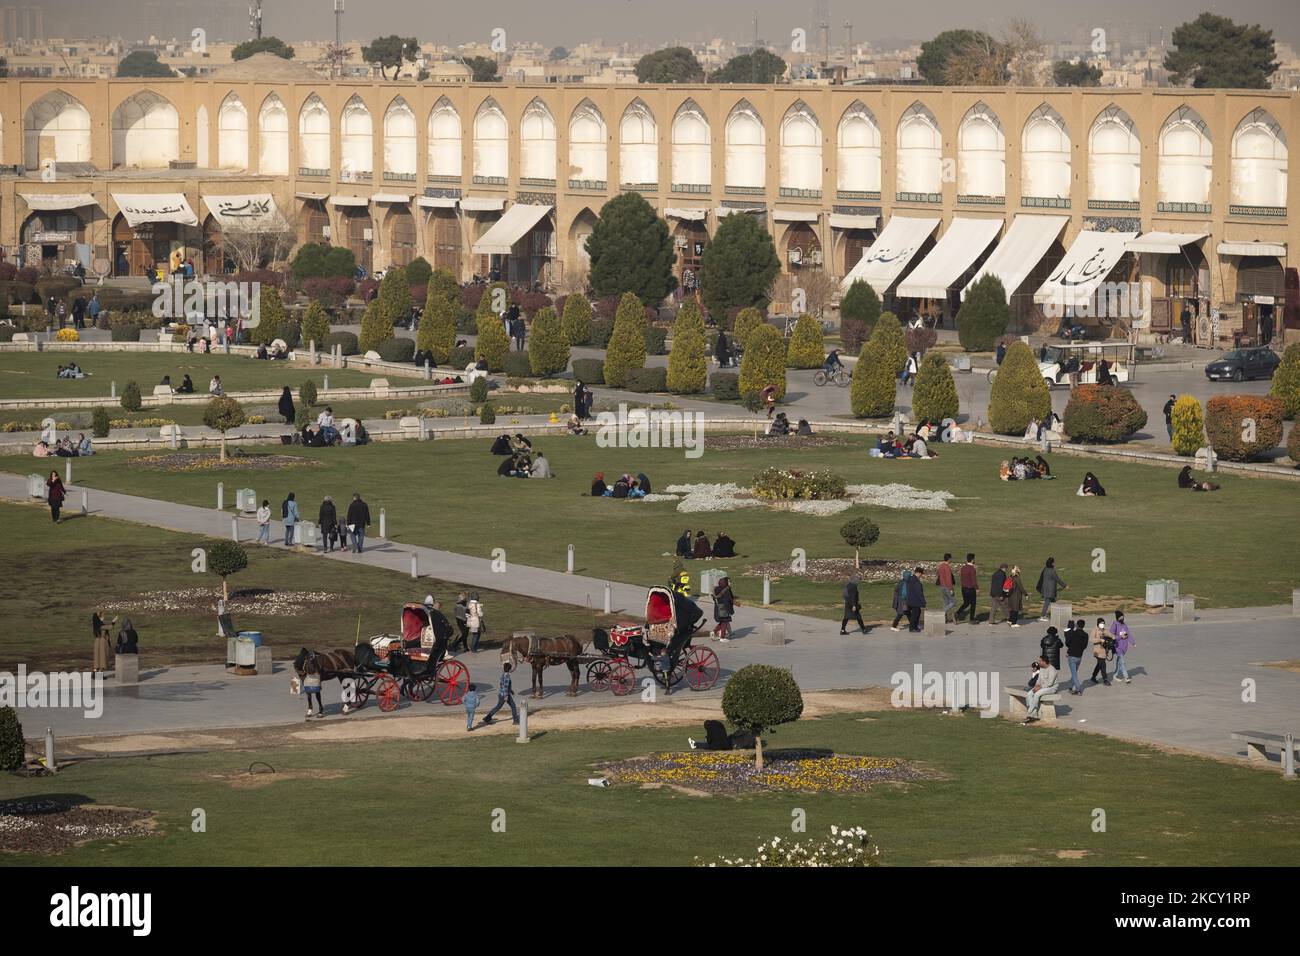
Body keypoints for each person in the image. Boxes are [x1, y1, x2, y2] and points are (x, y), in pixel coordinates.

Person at [1022, 657, 1059, 724]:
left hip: (1051, 688)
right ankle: (1034, 715)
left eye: (1040, 661)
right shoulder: (1041, 668)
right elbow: (1038, 679)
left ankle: (1030, 711)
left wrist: (1040, 688)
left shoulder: (1052, 670)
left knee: (1037, 694)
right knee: (1030, 693)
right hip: (1042, 686)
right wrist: (1036, 686)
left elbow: (1050, 684)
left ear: (1044, 662)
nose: (1039, 662)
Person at [1035, 558, 1066, 622]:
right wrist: (1065, 585)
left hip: (1045, 589)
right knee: (1047, 603)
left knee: (1053, 601)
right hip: (1050, 590)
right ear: (1052, 563)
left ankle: (1055, 614)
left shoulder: (1045, 569)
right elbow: (1057, 579)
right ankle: (1043, 616)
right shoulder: (1052, 571)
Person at [1064, 619, 1088, 695]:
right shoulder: (1086, 635)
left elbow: (1067, 643)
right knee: (1074, 673)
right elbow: (1085, 646)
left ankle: (1078, 689)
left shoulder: (1072, 633)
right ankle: (1073, 688)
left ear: (1077, 625)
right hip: (1079, 656)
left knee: (1074, 674)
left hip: (1072, 656)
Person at [1111, 613, 1134, 684]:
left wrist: (1133, 642)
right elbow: (1111, 635)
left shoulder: (1124, 625)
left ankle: (1115, 676)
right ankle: (1126, 677)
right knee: (1122, 662)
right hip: (1117, 647)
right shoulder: (1115, 625)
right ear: (1117, 618)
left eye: (1123, 617)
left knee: (1119, 662)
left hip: (1124, 646)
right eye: (1120, 617)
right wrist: (1120, 637)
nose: (1122, 618)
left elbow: (1128, 634)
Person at [711, 576, 735, 642]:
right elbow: (728, 600)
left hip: (718, 607)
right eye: (729, 581)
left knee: (722, 621)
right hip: (724, 608)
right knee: (725, 621)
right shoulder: (726, 589)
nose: (730, 583)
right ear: (725, 582)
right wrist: (731, 608)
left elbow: (714, 598)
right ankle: (722, 637)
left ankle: (714, 632)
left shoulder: (717, 589)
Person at [957, 554, 979, 622]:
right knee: (973, 604)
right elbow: (973, 580)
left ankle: (957, 613)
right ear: (972, 560)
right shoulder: (972, 569)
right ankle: (972, 619)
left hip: (963, 588)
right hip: (970, 589)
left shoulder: (963, 568)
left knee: (966, 603)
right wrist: (977, 588)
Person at [1090, 617, 1112, 686]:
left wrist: (1116, 637)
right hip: (1097, 651)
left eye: (1103, 623)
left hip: (1104, 651)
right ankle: (1105, 679)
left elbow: (1111, 635)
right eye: (1101, 623)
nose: (1102, 625)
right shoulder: (1095, 630)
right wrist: (1099, 640)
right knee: (1103, 664)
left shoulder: (1104, 630)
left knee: (1099, 665)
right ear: (1098, 623)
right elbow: (1091, 639)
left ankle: (1093, 677)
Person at [935, 553, 956, 623]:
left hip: (942, 586)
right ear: (949, 559)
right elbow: (949, 579)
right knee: (953, 602)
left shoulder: (940, 566)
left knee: (945, 602)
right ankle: (942, 612)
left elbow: (938, 574)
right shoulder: (947, 567)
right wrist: (951, 589)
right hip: (947, 587)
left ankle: (944, 619)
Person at [904, 566, 926, 632]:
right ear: (918, 573)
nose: (921, 575)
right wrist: (923, 601)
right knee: (915, 614)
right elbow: (919, 593)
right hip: (915, 601)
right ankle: (912, 628)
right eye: (921, 574)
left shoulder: (910, 579)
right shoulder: (916, 581)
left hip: (909, 599)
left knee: (917, 613)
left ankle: (915, 626)